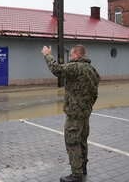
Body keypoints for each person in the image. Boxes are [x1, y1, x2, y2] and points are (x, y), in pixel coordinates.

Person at [41, 45, 100, 182]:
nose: (69, 58)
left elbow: (56, 69)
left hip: (75, 114)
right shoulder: (92, 70)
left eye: (71, 55)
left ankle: (76, 174)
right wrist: (88, 106)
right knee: (82, 141)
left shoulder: (76, 67)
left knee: (72, 141)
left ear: (76, 55)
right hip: (85, 112)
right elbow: (95, 93)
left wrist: (47, 55)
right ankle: (83, 167)